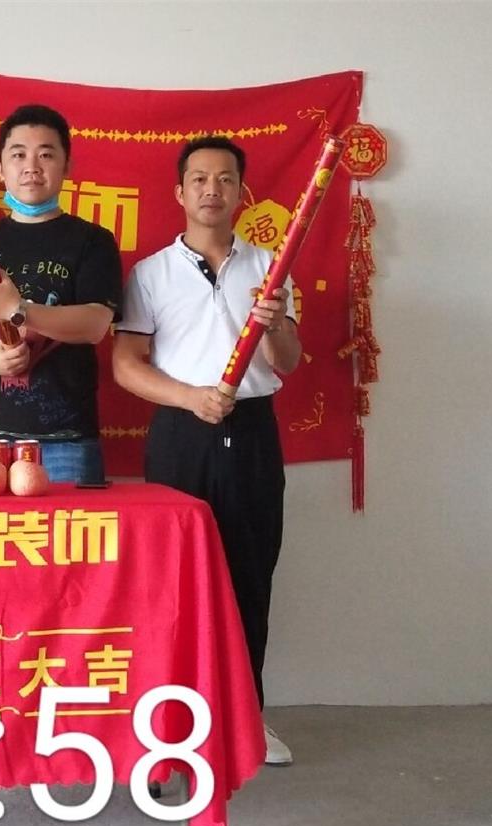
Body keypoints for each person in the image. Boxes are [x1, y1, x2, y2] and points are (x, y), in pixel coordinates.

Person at [112, 135, 298, 765]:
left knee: (249, 574)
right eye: (199, 179)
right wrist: (190, 397)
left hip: (251, 432)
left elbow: (288, 362)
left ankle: (248, 721)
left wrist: (273, 325)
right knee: (173, 582)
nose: (211, 190)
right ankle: (171, 727)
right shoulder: (150, 273)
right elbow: (126, 365)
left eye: (224, 179)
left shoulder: (271, 264)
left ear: (241, 192)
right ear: (180, 192)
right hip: (180, 433)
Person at [0, 104, 122, 483]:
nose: (32, 167)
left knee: (69, 527)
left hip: (65, 442)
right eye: (18, 155)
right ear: (0, 169)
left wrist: (18, 309)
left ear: (67, 166)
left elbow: (94, 324)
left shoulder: (92, 241)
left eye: (46, 155)